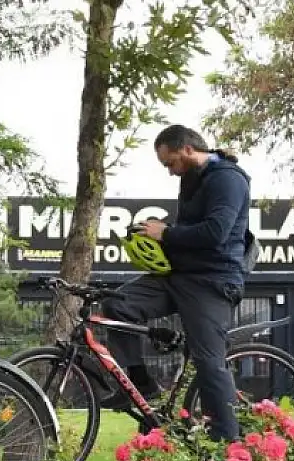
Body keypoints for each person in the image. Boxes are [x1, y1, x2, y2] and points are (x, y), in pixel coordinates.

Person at [100, 124, 251, 442]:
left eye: (170, 163)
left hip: (212, 281)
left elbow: (216, 233)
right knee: (116, 305)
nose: (170, 172)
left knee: (208, 362)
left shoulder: (228, 179)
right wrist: (155, 231)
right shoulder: (190, 178)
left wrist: (165, 233)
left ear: (187, 149)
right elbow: (190, 228)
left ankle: (228, 443)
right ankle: (141, 385)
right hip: (178, 276)